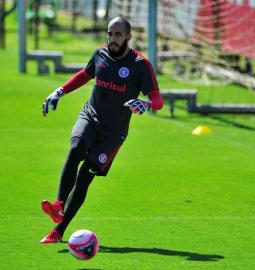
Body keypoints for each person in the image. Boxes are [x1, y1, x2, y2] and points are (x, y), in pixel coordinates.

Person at [39, 16, 163, 243]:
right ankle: (58, 205)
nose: (112, 39)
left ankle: (58, 232)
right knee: (76, 148)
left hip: (113, 134)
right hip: (90, 116)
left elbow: (157, 100)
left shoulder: (140, 65)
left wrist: (146, 104)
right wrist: (59, 92)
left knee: (85, 176)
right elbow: (85, 75)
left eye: (117, 34)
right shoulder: (100, 54)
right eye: (109, 33)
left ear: (128, 37)